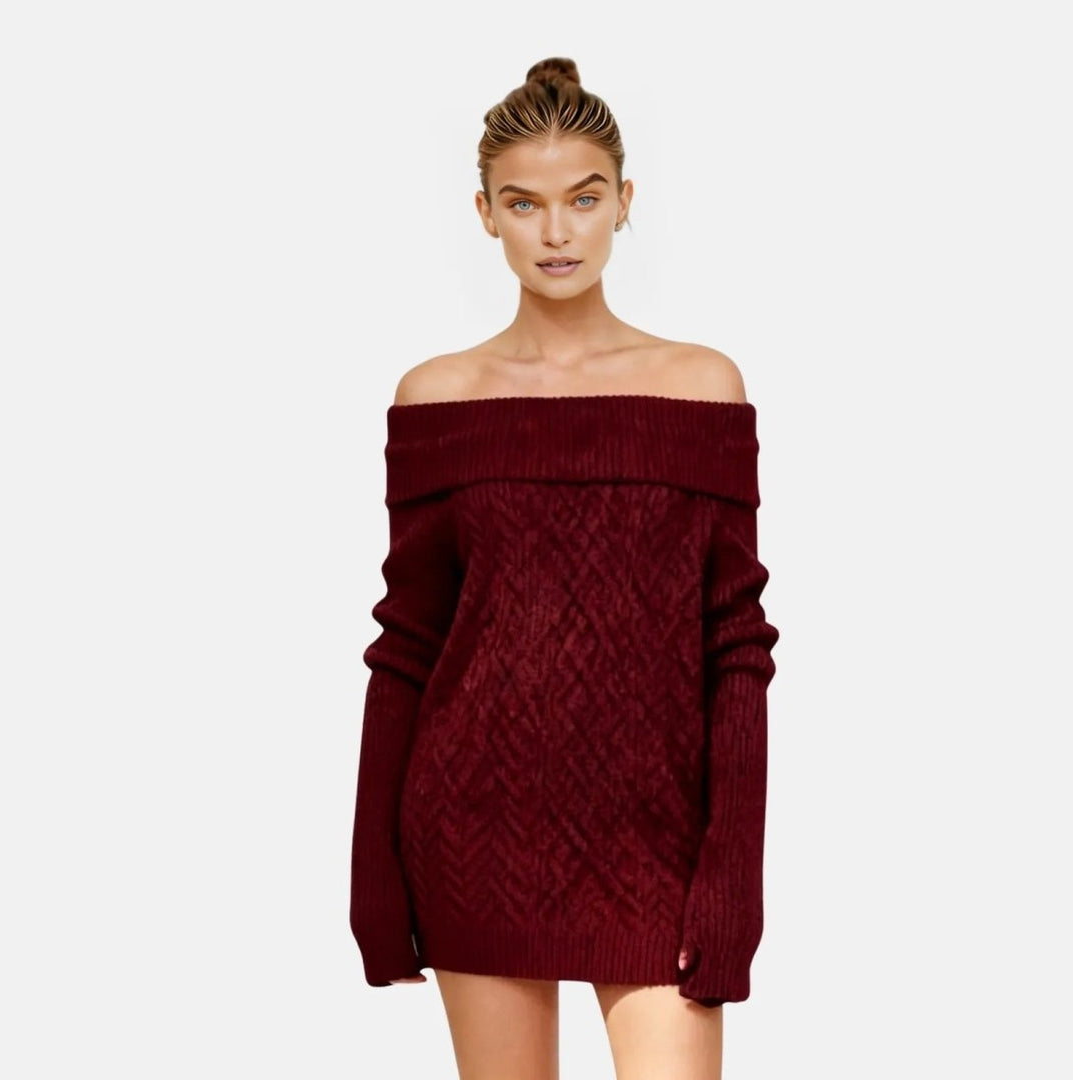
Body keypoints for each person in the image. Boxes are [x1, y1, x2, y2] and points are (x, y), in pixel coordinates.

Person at [348, 56, 780, 1080]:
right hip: (472, 831)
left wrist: (732, 882)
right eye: (524, 203)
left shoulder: (701, 389)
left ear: (625, 202)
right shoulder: (437, 399)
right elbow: (408, 643)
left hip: (655, 839)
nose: (556, 232)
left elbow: (737, 647)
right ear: (485, 213)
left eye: (583, 199)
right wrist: (373, 875)